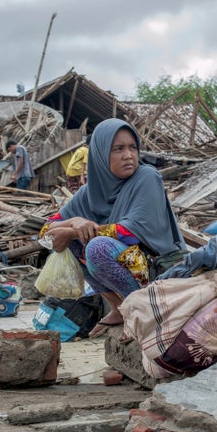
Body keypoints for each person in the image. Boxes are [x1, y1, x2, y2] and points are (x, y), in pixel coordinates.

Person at [40, 119, 186, 337]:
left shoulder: (147, 177)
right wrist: (74, 222)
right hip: (131, 267)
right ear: (100, 154)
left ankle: (141, 310)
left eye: (132, 147)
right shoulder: (90, 192)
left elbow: (129, 233)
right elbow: (44, 233)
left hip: (160, 267)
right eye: (118, 149)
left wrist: (72, 230)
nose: (128, 155)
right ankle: (118, 308)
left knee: (97, 247)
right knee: (73, 243)